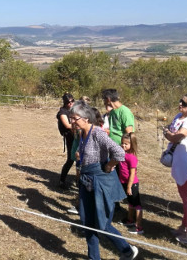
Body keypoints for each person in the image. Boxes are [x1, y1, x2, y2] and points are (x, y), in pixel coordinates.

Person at [70, 100, 138, 260]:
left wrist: (109, 165)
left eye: (75, 118)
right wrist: (80, 157)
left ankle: (127, 250)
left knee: (102, 224)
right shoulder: (81, 134)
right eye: (71, 118)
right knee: (87, 222)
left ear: (86, 119)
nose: (72, 121)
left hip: (100, 182)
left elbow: (119, 153)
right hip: (87, 181)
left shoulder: (97, 133)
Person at [162, 93, 187, 245]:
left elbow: (175, 137)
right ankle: (184, 226)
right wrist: (169, 132)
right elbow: (172, 131)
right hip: (179, 160)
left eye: (184, 104)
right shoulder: (179, 116)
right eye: (180, 101)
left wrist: (167, 133)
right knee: (184, 196)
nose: (180, 105)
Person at [118, 133, 143, 235]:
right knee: (130, 203)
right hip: (124, 182)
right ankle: (130, 219)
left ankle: (139, 226)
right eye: (122, 143)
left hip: (132, 184)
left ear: (132, 145)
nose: (123, 145)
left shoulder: (131, 157)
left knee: (137, 205)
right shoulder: (123, 154)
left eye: (126, 144)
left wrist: (129, 186)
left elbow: (132, 173)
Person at [57, 93, 75, 188]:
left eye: (72, 101)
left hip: (77, 136)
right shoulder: (62, 112)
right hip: (70, 137)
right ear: (65, 102)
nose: (71, 103)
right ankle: (62, 181)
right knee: (70, 159)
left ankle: (78, 180)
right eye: (68, 102)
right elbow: (67, 125)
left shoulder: (74, 110)